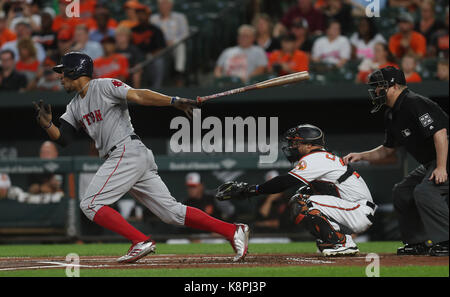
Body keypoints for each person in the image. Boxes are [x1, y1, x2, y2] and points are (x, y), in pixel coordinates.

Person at [32, 51, 250, 263]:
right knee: (171, 213)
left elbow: (139, 95)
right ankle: (233, 230)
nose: (60, 78)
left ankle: (140, 241)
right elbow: (64, 138)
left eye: (62, 72)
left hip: (126, 151)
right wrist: (48, 125)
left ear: (75, 70)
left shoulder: (105, 85)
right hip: (128, 155)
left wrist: (173, 101)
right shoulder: (74, 105)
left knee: (90, 204)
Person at [216, 124, 375, 256]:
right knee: (305, 192)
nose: (292, 147)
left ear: (309, 145)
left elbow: (285, 182)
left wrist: (252, 190)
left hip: (357, 211)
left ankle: (340, 241)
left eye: (296, 143)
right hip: (353, 209)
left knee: (301, 202)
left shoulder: (316, 157)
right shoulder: (323, 157)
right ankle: (335, 237)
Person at [343, 66, 449, 257]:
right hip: (431, 162)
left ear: (393, 86)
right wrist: (361, 155)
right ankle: (418, 242)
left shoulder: (414, 102)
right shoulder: (392, 114)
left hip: (444, 158)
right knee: (402, 191)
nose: (375, 91)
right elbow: (386, 151)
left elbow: (440, 133)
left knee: (426, 190)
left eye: (378, 86)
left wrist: (441, 167)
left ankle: (446, 241)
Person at [150, 0, 189, 85]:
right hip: (160, 47)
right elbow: (151, 35)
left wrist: (173, 41)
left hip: (175, 45)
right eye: (161, 4)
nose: (163, 6)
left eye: (166, 3)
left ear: (171, 5)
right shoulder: (153, 18)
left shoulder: (180, 17)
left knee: (180, 45)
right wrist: (162, 43)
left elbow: (185, 34)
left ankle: (179, 72)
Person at [131, 3, 166, 88]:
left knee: (159, 62)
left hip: (151, 58)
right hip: (136, 59)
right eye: (138, 14)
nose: (140, 16)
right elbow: (129, 47)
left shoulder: (156, 30)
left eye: (143, 14)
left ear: (148, 15)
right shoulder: (133, 30)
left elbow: (161, 48)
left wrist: (151, 55)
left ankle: (157, 88)